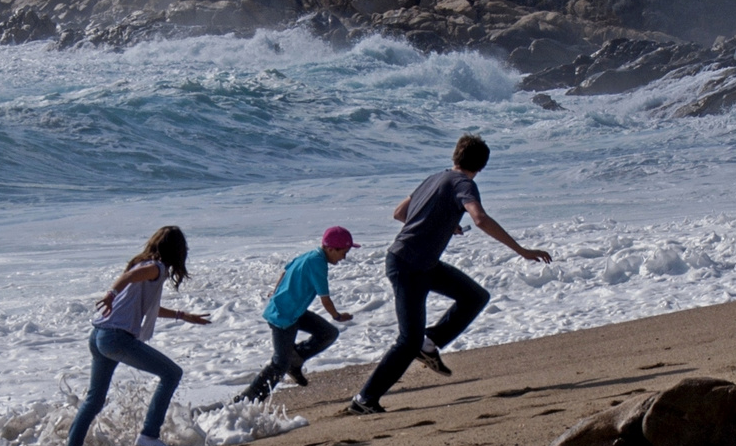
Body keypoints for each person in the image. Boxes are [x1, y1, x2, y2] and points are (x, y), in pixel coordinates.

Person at [349, 134, 551, 414]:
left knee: (475, 296)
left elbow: (400, 212)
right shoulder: (465, 184)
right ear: (482, 165)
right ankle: (364, 400)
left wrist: (442, 222)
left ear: (455, 156)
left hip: (419, 263)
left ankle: (429, 344)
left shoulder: (435, 178)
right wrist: (521, 250)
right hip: (409, 265)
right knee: (408, 340)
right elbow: (479, 218)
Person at [58, 226, 212, 446]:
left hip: (98, 336)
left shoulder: (147, 266)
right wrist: (110, 294)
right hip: (116, 338)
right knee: (172, 373)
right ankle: (149, 434)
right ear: (177, 250)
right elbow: (129, 278)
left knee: (93, 401)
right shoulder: (156, 268)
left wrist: (182, 315)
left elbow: (146, 306)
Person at [236, 226, 358, 402]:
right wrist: (337, 316)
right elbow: (325, 299)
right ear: (331, 249)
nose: (344, 257)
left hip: (294, 312)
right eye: (343, 252)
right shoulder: (318, 264)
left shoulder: (309, 255)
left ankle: (296, 360)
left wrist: (275, 292)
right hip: (283, 317)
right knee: (279, 364)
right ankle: (246, 400)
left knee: (328, 333)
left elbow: (284, 271)